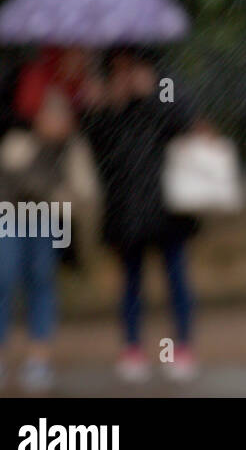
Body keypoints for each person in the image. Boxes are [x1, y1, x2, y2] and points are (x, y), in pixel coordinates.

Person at [80, 46, 202, 383]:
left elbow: (185, 122)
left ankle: (183, 347)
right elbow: (94, 145)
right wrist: (106, 106)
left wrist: (152, 96)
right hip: (126, 207)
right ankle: (132, 348)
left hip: (167, 205)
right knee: (131, 281)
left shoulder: (164, 86)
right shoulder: (105, 98)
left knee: (176, 277)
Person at [0, 89, 96, 394]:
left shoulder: (73, 149)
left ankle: (39, 359)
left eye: (62, 116)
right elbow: (15, 179)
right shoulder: (19, 142)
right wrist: (55, 193)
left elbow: (85, 192)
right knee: (0, 282)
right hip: (5, 218)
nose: (56, 122)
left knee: (42, 284)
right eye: (50, 115)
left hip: (44, 223)